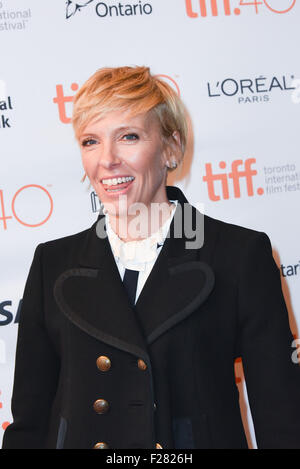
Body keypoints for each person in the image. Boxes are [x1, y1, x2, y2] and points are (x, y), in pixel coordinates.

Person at [2, 66, 300, 449]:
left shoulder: (239, 256)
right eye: (90, 141)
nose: (107, 160)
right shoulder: (53, 263)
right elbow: (30, 422)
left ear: (171, 148)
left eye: (129, 136)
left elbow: (283, 419)